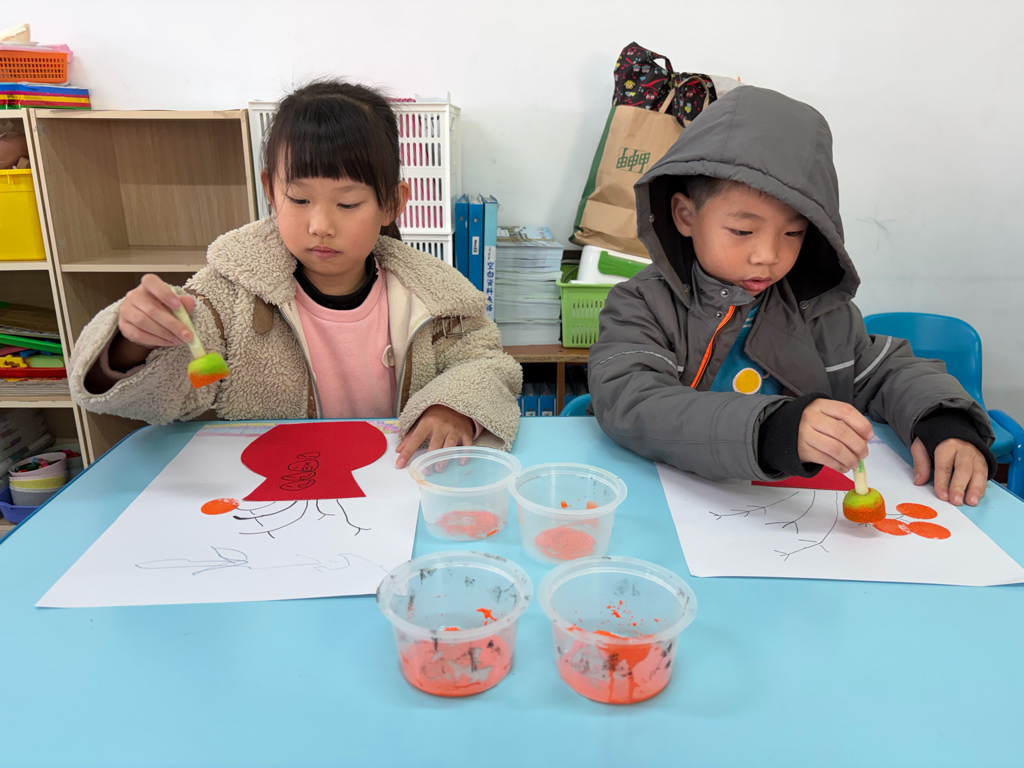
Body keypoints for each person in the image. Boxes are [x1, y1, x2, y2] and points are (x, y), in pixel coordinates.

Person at [69, 79, 522, 467]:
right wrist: (133, 341)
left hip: (392, 486)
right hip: (272, 487)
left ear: (392, 203)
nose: (320, 225)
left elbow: (485, 363)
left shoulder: (434, 297)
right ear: (270, 189)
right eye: (300, 199)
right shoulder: (228, 295)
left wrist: (453, 407)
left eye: (347, 203)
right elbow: (170, 394)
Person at [588, 85, 995, 506]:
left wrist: (944, 422)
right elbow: (631, 400)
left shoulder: (823, 316)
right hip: (665, 505)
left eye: (793, 233)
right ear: (686, 216)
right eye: (743, 230)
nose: (768, 255)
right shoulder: (642, 305)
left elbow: (890, 372)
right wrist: (773, 430)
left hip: (786, 518)